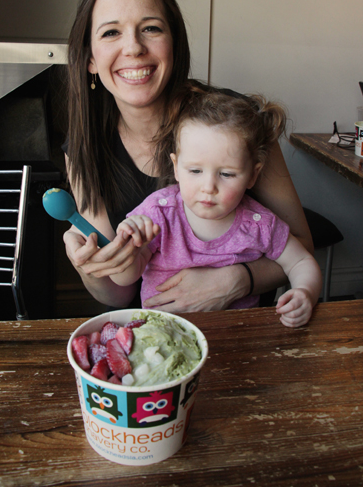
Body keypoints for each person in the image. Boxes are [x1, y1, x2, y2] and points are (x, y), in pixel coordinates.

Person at [63, 0, 314, 315]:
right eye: (111, 32)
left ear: (174, 42)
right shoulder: (85, 147)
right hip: (154, 332)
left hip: (241, 330)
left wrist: (237, 280)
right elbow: (117, 295)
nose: (133, 48)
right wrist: (89, 267)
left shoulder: (238, 125)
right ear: (90, 58)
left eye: (151, 28)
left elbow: (301, 246)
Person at [110, 88, 322, 327]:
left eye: (227, 174)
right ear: (176, 167)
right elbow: (124, 279)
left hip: (236, 338)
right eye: (195, 171)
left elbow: (301, 262)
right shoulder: (158, 214)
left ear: (253, 175)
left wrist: (305, 292)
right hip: (161, 337)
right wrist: (130, 247)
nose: (209, 187)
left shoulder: (260, 225)